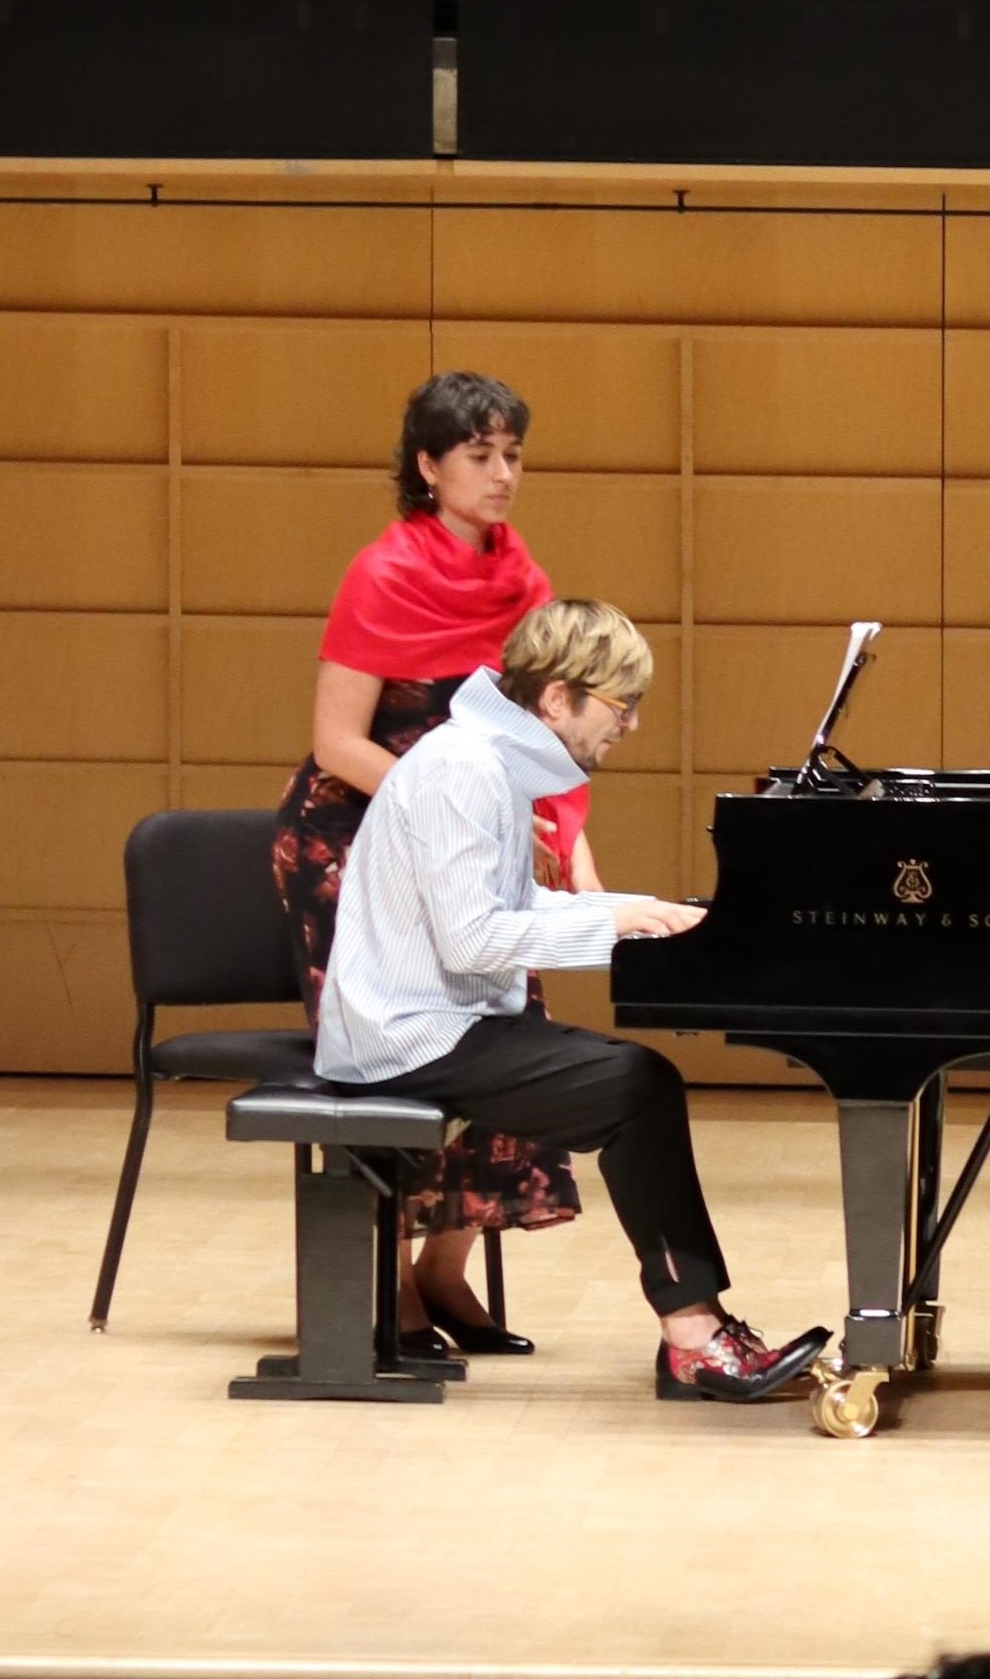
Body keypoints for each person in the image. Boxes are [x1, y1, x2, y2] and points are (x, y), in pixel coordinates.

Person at [316, 598, 820, 1404]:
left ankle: (695, 1328)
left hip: (443, 1018)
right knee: (637, 1086)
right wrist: (613, 923)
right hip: (407, 1034)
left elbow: (506, 910)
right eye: (621, 705)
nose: (630, 725)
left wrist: (639, 913)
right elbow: (473, 940)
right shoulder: (463, 771)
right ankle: (693, 1335)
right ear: (556, 699)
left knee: (639, 1083)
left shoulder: (485, 762)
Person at [271, 370, 589, 1355]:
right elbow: (338, 743)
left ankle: (440, 1271)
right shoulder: (381, 571)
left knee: (526, 1045)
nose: (502, 475)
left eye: (514, 454)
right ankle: (383, 1292)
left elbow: (536, 745)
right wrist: (450, 810)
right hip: (354, 838)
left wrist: (570, 846)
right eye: (480, 455)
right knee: (398, 1053)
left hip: (461, 835)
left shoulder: (520, 576)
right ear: (428, 465)